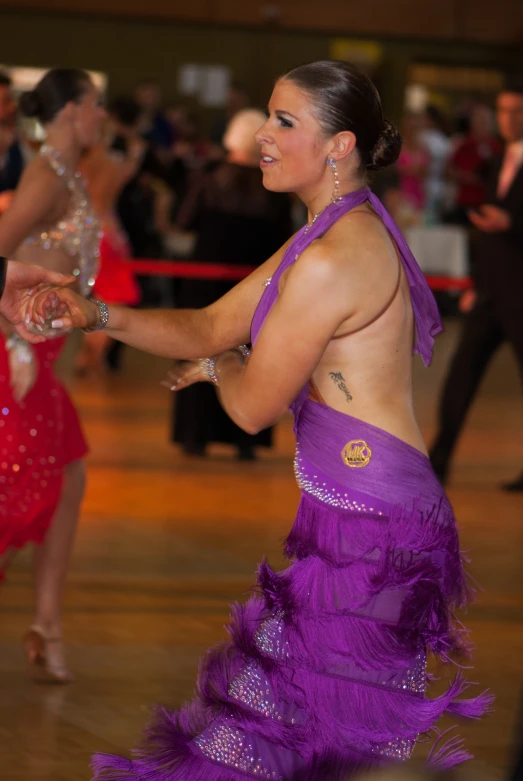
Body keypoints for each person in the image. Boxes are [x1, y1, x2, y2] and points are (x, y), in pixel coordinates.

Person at [30, 60, 491, 777]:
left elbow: (249, 407)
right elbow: (213, 322)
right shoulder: (328, 230)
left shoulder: (334, 257)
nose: (264, 137)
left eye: (285, 122)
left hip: (374, 535)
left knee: (301, 745)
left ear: (338, 145)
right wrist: (97, 313)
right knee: (283, 738)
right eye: (268, 117)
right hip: (362, 518)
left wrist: (221, 368)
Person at [0, 67, 105, 682]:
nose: (101, 116)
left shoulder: (66, 175)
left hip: (39, 354)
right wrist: (10, 344)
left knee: (66, 479)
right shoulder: (45, 177)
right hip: (16, 353)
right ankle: (47, 626)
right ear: (70, 110)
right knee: (21, 494)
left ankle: (47, 624)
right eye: (95, 105)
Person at [172, 108, 292, 459]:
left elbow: (183, 221)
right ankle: (246, 440)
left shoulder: (207, 178)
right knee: (252, 358)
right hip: (254, 287)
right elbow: (286, 239)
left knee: (199, 347)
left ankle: (194, 436)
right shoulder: (275, 187)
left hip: (205, 283)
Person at [430, 82, 523, 490]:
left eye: (517, 111)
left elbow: (506, 226)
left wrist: (513, 225)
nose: (509, 119)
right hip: (489, 293)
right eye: (503, 111)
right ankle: (438, 462)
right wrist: (474, 284)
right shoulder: (498, 160)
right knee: (460, 376)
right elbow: (487, 236)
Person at [76, 120, 143, 373]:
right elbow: (133, 165)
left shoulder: (79, 165)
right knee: (111, 302)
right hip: (111, 235)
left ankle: (91, 357)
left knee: (99, 299)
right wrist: (135, 147)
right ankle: (92, 358)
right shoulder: (114, 165)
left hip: (85, 234)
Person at [445, 105, 502, 226]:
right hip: (465, 203)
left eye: (485, 121)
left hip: (488, 205)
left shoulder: (497, 148)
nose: (482, 125)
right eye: (479, 121)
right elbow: (449, 171)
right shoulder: (464, 145)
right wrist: (465, 176)